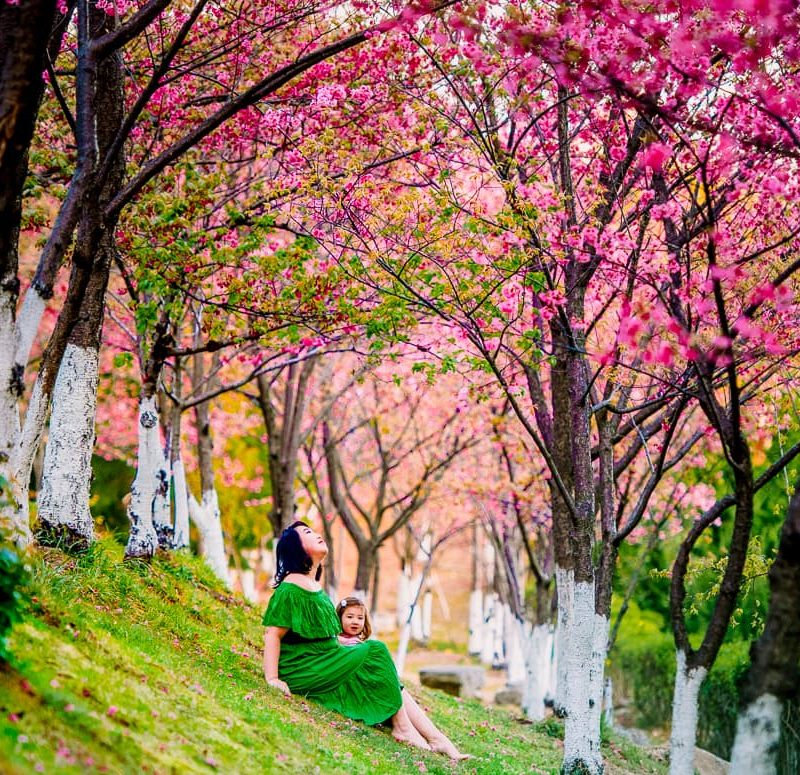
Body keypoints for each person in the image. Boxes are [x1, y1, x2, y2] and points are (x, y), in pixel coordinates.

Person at [262, 521, 470, 760]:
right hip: (304, 669)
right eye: (308, 533)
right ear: (295, 548)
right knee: (376, 649)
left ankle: (437, 739)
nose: (317, 534)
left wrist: (342, 646)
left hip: (324, 662)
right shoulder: (291, 587)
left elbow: (313, 637)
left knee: (387, 676)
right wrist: (273, 678)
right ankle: (403, 729)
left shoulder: (312, 585)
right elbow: (273, 634)